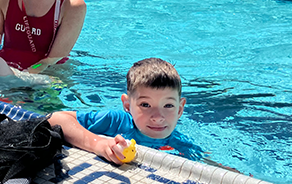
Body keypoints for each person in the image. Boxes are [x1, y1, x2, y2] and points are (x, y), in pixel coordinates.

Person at [48, 58, 188, 164]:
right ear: (127, 105)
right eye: (145, 105)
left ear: (180, 109)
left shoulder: (180, 143)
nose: (158, 117)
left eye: (168, 106)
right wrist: (98, 143)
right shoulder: (115, 122)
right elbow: (54, 118)